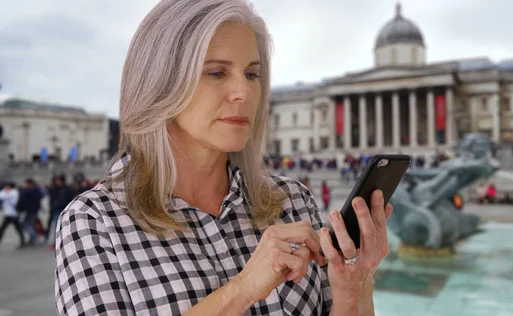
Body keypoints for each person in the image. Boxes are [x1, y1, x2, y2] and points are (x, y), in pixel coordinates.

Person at [55, 1, 393, 315]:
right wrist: (242, 289)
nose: (244, 93)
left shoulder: (291, 201)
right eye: (217, 72)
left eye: (251, 74)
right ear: (160, 83)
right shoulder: (93, 222)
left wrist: (354, 287)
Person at [20, 179, 45, 246]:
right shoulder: (36, 190)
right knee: (30, 224)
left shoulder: (30, 191)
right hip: (32, 210)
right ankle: (32, 238)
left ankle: (34, 235)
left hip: (31, 210)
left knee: (26, 224)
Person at [0, 182, 25, 248]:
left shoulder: (13, 192)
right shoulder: (9, 192)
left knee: (17, 229)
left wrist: (5, 191)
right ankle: (23, 241)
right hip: (9, 214)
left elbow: (2, 195)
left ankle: (23, 241)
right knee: (3, 229)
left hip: (13, 214)